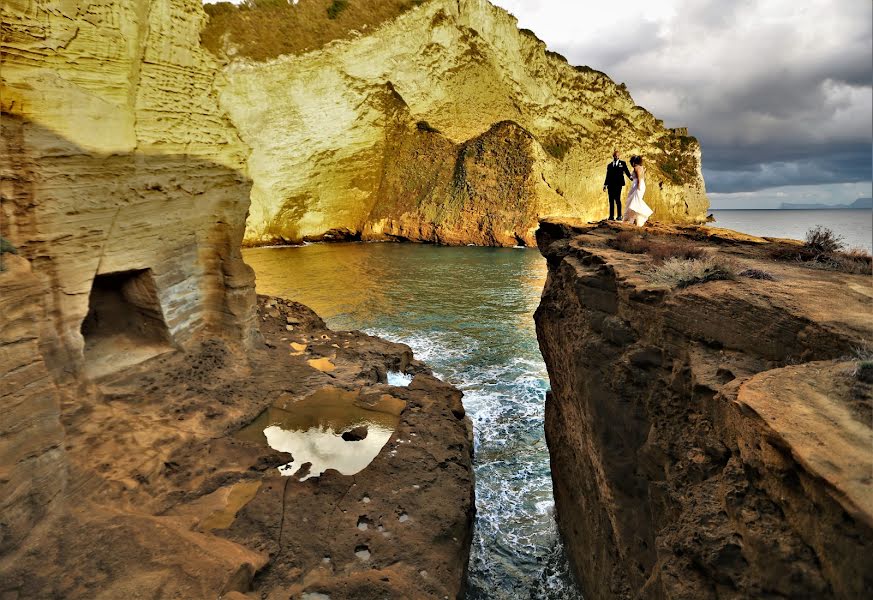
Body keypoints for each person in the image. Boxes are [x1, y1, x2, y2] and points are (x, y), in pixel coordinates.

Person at [622, 155, 653, 226]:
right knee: (634, 201)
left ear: (633, 162)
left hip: (637, 185)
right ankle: (634, 219)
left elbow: (638, 178)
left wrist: (638, 186)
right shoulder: (641, 167)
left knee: (634, 201)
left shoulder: (636, 168)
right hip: (640, 184)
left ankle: (641, 214)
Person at [602, 150, 632, 220]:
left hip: (618, 184)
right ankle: (611, 216)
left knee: (617, 199)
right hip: (610, 185)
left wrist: (630, 177)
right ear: (613, 156)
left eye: (617, 155)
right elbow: (607, 176)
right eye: (615, 155)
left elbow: (626, 171)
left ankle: (619, 216)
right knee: (611, 200)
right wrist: (605, 185)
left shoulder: (623, 163)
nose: (616, 156)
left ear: (619, 156)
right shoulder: (609, 165)